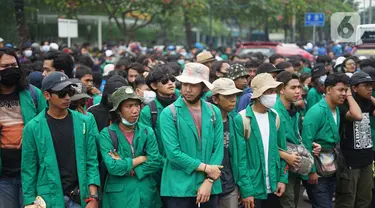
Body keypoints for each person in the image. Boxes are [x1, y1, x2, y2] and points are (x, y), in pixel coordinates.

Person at [21, 72, 100, 208]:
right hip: (48, 198)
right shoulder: (33, 127)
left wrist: (93, 197)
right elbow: (29, 168)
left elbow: (91, 161)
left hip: (79, 196)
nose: (68, 97)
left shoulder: (84, 122)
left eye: (69, 92)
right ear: (47, 95)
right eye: (62, 93)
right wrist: (29, 202)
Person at [159, 63, 224, 208]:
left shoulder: (214, 112)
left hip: (210, 187)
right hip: (179, 189)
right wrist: (207, 169)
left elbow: (218, 148)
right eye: (184, 84)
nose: (187, 89)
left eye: (193, 85)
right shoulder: (169, 113)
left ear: (203, 87)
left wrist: (209, 180)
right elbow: (173, 154)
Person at [302, 73, 361, 208]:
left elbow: (357, 116)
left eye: (346, 90)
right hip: (317, 170)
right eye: (340, 90)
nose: (344, 94)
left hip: (331, 169)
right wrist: (311, 171)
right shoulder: (316, 112)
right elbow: (306, 141)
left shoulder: (336, 110)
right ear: (328, 90)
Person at [99, 86, 163, 208]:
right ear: (118, 110)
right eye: (128, 106)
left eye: (137, 105)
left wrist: (132, 169)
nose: (135, 110)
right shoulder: (107, 134)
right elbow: (113, 167)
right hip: (119, 198)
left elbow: (156, 161)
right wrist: (141, 159)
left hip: (146, 194)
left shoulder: (147, 131)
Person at [0, 48, 47, 208]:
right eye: (5, 66)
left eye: (14, 65)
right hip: (3, 177)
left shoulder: (34, 95)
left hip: (31, 173)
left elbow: (46, 130)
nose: (11, 69)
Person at [234, 73, 287, 208]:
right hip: (253, 188)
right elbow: (240, 159)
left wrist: (282, 179)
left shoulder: (275, 117)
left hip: (274, 186)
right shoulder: (242, 119)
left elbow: (282, 150)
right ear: (258, 95)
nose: (273, 95)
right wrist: (246, 190)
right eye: (269, 91)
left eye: (274, 91)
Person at [336, 71, 374, 208]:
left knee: (365, 199)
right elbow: (357, 116)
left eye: (371, 85)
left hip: (367, 160)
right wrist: (350, 96)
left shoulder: (368, 102)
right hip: (350, 161)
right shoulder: (344, 104)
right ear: (354, 88)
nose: (370, 89)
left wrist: (370, 98)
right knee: (347, 201)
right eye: (366, 85)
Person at [210, 78, 243, 208]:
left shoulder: (233, 120)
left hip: (230, 183)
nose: (233, 99)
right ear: (216, 99)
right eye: (228, 96)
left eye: (234, 95)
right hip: (211, 182)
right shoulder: (208, 122)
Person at [274, 71, 305, 208]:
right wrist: (285, 156)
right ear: (281, 89)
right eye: (293, 88)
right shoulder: (273, 111)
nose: (298, 91)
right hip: (279, 168)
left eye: (299, 87)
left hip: (294, 165)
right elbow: (266, 144)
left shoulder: (294, 110)